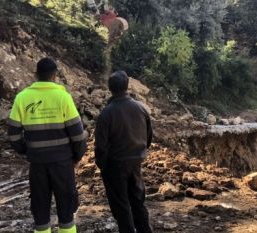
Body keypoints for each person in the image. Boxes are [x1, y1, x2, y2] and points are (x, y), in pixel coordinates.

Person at [8, 57, 87, 233]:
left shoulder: (22, 98)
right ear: (54, 75)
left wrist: (26, 150)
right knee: (66, 209)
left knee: (40, 208)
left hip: (37, 164)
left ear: (36, 74)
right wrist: (76, 156)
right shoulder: (63, 97)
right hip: (62, 163)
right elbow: (77, 134)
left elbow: (13, 134)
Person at [94, 71, 153, 233]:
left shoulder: (107, 113)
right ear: (127, 86)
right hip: (135, 163)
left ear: (110, 88)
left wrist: (102, 165)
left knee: (121, 206)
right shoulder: (141, 109)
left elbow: (100, 146)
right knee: (137, 202)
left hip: (115, 165)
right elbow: (148, 137)